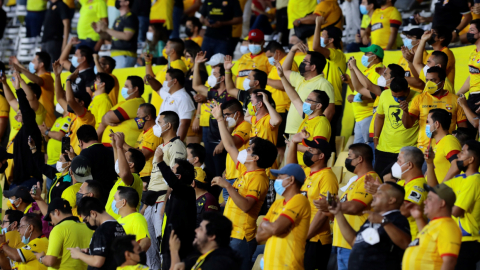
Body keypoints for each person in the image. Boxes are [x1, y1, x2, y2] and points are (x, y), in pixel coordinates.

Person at [210, 102, 277, 270]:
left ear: (255, 158)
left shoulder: (260, 178)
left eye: (249, 149)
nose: (244, 150)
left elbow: (247, 206)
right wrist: (219, 118)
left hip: (242, 237)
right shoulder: (244, 170)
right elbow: (229, 145)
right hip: (231, 234)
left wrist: (228, 186)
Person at [315, 143, 379, 270]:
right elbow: (342, 210)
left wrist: (331, 205)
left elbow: (355, 207)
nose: (347, 159)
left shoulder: (370, 180)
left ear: (360, 159)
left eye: (350, 156)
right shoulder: (355, 181)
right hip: (342, 243)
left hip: (355, 244)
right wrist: (328, 209)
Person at [330, 182, 411, 270]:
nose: (374, 195)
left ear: (391, 200)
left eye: (379, 193)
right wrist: (338, 213)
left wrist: (383, 221)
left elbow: (405, 243)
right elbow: (354, 241)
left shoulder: (397, 218)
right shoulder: (373, 219)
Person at [285, 137, 338, 270]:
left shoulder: (328, 177)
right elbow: (290, 169)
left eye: (311, 150)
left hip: (316, 240)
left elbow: (323, 212)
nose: (307, 153)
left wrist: (304, 236)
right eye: (307, 149)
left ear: (321, 156)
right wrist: (294, 142)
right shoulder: (309, 173)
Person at [144, 111, 187, 269]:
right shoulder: (161, 147)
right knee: (150, 248)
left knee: (163, 247)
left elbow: (177, 177)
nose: (156, 126)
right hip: (151, 201)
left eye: (159, 122)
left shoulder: (177, 146)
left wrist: (166, 203)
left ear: (168, 125)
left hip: (163, 201)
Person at [257, 163, 311, 270]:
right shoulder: (277, 203)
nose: (277, 180)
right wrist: (273, 227)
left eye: (280, 177)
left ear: (291, 180)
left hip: (287, 265)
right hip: (270, 265)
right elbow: (259, 236)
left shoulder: (299, 200)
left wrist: (270, 226)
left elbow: (275, 228)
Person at [278, 61, 331, 168]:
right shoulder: (307, 117)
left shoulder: (322, 122)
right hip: (298, 166)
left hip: (307, 169)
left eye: (309, 100)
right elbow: (294, 98)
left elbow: (318, 150)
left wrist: (294, 145)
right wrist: (282, 77)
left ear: (318, 106)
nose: (305, 102)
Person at [402, 67, 467, 153]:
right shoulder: (419, 99)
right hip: (424, 150)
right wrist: (405, 112)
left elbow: (463, 129)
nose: (429, 83)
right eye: (427, 80)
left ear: (442, 83)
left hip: (446, 149)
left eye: (433, 80)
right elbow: (408, 125)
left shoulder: (455, 100)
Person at [402, 183, 462, 270]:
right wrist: (418, 218)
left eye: (429, 199)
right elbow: (424, 241)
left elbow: (449, 262)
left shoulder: (447, 227)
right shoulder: (436, 223)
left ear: (442, 203)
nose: (424, 201)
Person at [193, 52, 234, 176]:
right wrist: (196, 64)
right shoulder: (214, 93)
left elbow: (233, 122)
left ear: (222, 78)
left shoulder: (229, 96)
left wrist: (222, 143)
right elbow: (196, 86)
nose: (211, 76)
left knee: (220, 173)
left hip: (221, 143)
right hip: (210, 141)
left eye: (214, 74)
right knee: (211, 173)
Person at [282, 43, 335, 137]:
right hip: (293, 132)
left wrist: (315, 131)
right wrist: (292, 51)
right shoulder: (299, 78)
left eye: (305, 62)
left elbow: (329, 111)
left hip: (307, 133)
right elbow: (284, 71)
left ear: (313, 67)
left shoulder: (323, 84)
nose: (301, 63)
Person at [156, 149, 197, 270]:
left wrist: (160, 161)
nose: (170, 172)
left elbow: (173, 182)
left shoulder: (187, 191)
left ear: (178, 177)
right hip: (170, 245)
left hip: (180, 247)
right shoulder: (177, 193)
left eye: (172, 170)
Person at [443, 140, 480, 269]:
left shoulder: (475, 180)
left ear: (471, 160)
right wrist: (430, 164)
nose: (458, 155)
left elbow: (457, 211)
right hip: (455, 240)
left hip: (469, 242)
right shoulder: (460, 178)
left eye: (463, 152)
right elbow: (437, 192)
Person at [4, 72, 43, 189]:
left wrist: (18, 88)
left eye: (21, 112)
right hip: (17, 179)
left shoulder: (31, 128)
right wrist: (4, 83)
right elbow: (11, 100)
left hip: (29, 181)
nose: (18, 112)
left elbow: (26, 110)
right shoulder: (22, 130)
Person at [373, 78, 419, 174]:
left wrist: (405, 111)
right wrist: (375, 137)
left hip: (407, 152)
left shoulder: (418, 98)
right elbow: (380, 117)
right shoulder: (385, 94)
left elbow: (407, 125)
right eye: (394, 96)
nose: (397, 99)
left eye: (401, 97)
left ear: (408, 90)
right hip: (384, 149)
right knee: (380, 183)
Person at [69, 197, 126, 270]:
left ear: (93, 213)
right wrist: (92, 251)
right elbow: (109, 253)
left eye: (85, 220)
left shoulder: (101, 230)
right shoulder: (119, 226)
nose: (86, 223)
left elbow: (97, 262)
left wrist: (78, 254)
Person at [170, 212, 241, 269]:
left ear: (212, 236)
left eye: (200, 228)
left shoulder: (217, 265)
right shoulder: (205, 258)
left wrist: (174, 252)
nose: (196, 230)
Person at [37, 198, 93, 269]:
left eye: (51, 217)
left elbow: (49, 261)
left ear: (57, 212)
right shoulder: (88, 227)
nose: (51, 222)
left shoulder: (58, 229)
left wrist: (41, 258)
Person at [312, 18, 346, 138]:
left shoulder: (337, 54)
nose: (320, 38)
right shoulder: (329, 56)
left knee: (326, 140)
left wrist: (318, 24)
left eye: (323, 35)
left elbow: (315, 47)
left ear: (331, 40)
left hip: (332, 102)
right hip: (325, 102)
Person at [265, 41, 298, 158]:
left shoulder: (288, 64)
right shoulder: (276, 65)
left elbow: (285, 85)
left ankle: (282, 171)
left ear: (277, 52)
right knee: (275, 145)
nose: (268, 59)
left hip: (284, 110)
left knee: (280, 146)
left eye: (270, 56)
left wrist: (265, 80)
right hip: (276, 110)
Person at [105, 132, 145, 220]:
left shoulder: (135, 179)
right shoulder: (122, 179)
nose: (120, 160)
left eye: (124, 158)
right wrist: (115, 147)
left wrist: (120, 147)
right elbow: (119, 167)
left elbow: (124, 173)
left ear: (131, 165)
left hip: (124, 225)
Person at [218, 99, 251, 204]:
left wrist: (221, 123)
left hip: (239, 176)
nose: (225, 118)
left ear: (237, 113)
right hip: (230, 176)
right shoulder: (235, 127)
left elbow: (231, 143)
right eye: (223, 115)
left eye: (227, 115)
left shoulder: (246, 125)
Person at [99, 76, 146, 148]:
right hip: (113, 146)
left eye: (126, 86)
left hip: (121, 147)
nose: (123, 88)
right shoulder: (123, 103)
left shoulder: (136, 102)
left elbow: (108, 117)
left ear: (135, 89)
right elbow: (104, 119)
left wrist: (106, 119)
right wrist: (105, 119)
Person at [11, 53, 55, 127]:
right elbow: (32, 76)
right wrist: (18, 65)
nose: (31, 62)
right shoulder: (38, 77)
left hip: (47, 123)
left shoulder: (48, 78)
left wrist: (21, 69)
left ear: (41, 65)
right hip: (39, 122)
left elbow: (38, 80)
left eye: (34, 60)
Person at [144, 38, 187, 114]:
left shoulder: (178, 65)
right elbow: (151, 80)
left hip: (166, 110)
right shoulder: (167, 66)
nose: (164, 48)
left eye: (166, 46)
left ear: (172, 51)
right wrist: (148, 62)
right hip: (158, 107)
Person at [93, 0, 139, 68]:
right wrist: (100, 31)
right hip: (115, 55)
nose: (117, 1)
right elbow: (110, 37)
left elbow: (127, 36)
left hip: (125, 55)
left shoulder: (130, 17)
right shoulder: (117, 19)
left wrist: (106, 29)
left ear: (127, 2)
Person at [123, 103, 161, 184]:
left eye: (138, 116)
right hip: (140, 174)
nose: (136, 119)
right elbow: (136, 151)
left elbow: (143, 155)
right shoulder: (143, 133)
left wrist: (123, 144)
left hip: (149, 175)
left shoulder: (154, 132)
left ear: (148, 117)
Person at [74, 125, 117, 197]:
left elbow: (79, 177)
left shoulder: (85, 153)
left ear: (80, 142)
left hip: (95, 195)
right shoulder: (110, 151)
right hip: (112, 193)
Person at [425, 109, 462, 185]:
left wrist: (441, 189)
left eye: (428, 122)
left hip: (443, 194)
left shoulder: (449, 140)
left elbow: (456, 164)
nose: (426, 125)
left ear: (437, 124)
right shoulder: (438, 143)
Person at [457, 20, 480, 130]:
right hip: (472, 96)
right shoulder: (473, 52)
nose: (468, 33)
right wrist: (459, 93)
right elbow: (472, 76)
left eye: (472, 30)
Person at [113, 187, 151, 252]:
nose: (113, 202)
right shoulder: (118, 220)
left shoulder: (137, 218)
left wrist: (132, 257)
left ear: (123, 202)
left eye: (115, 199)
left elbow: (145, 241)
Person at [40, 0, 70, 65]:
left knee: (53, 67)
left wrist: (65, 43)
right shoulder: (51, 5)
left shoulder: (61, 5)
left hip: (54, 41)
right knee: (44, 67)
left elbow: (66, 24)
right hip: (46, 40)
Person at [398, 28, 428, 93]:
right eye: (406, 37)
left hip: (417, 95)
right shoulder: (403, 56)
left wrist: (396, 78)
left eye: (409, 37)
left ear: (419, 41)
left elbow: (421, 83)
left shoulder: (425, 57)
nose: (406, 39)